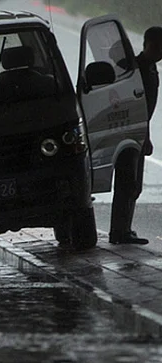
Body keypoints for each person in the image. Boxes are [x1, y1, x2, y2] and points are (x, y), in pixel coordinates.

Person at [109, 26, 162, 245]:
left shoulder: (150, 68)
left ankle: (123, 229)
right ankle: (119, 232)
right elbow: (137, 105)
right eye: (157, 46)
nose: (160, 51)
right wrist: (145, 136)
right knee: (127, 182)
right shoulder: (136, 67)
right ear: (147, 44)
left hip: (139, 130)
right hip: (130, 132)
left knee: (134, 184)